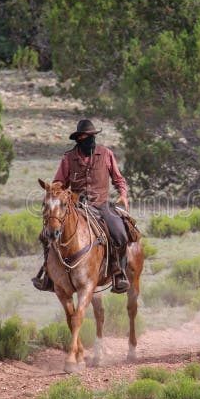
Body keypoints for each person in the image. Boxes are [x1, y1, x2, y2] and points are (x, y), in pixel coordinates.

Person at [33, 119, 131, 293]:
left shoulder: (106, 154)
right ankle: (48, 274)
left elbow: (118, 178)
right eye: (85, 137)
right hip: (75, 205)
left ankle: (118, 272)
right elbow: (59, 181)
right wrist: (54, 191)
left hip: (101, 204)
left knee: (120, 233)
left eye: (91, 136)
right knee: (46, 234)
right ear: (78, 139)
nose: (89, 139)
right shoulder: (69, 158)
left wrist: (123, 194)